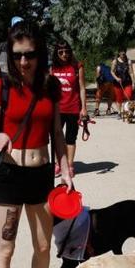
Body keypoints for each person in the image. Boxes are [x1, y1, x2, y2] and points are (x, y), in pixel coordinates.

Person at [0, 20, 74, 268]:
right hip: (9, 175)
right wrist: (0, 137)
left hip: (41, 175)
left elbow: (57, 136)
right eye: (18, 55)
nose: (24, 61)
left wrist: (66, 169)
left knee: (42, 245)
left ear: (41, 54)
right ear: (11, 54)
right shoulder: (1, 86)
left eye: (31, 55)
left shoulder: (50, 87)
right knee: (5, 248)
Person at [49, 39, 87, 176]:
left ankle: (70, 166)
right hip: (57, 109)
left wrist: (84, 109)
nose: (64, 54)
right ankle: (58, 164)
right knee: (55, 138)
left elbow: (82, 88)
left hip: (73, 108)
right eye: (60, 52)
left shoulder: (77, 66)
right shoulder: (52, 67)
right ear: (56, 53)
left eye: (66, 51)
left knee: (70, 138)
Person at [0, 16, 24, 84]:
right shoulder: (1, 47)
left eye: (20, 29)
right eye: (15, 29)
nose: (17, 32)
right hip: (5, 90)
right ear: (9, 30)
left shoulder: (27, 49)